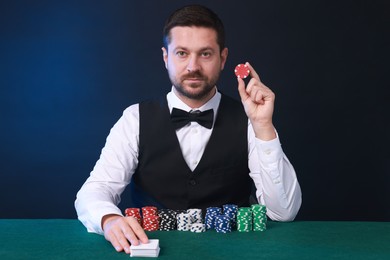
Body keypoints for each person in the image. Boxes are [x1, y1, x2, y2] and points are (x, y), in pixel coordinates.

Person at [75, 4, 302, 255]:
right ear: (166, 57)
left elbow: (284, 213)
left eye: (205, 54)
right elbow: (95, 190)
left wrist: (263, 126)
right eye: (182, 53)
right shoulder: (134, 119)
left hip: (233, 252)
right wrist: (109, 219)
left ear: (222, 58)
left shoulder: (249, 120)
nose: (193, 66)